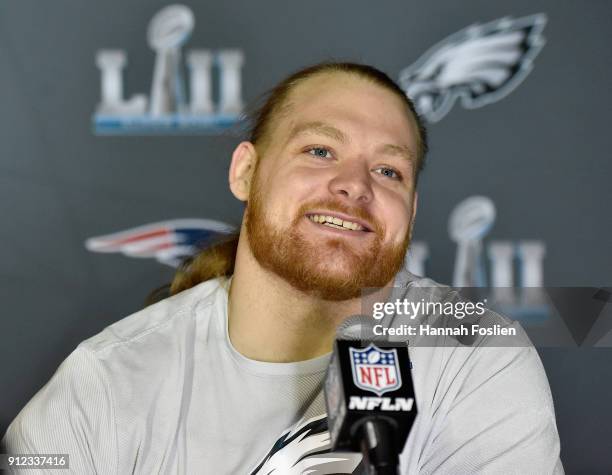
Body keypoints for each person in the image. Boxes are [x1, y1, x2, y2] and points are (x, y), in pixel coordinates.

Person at [2, 62, 563, 474]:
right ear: (246, 173)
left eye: (390, 171)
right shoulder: (103, 384)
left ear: (410, 213)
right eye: (320, 150)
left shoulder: (471, 352)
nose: (354, 185)